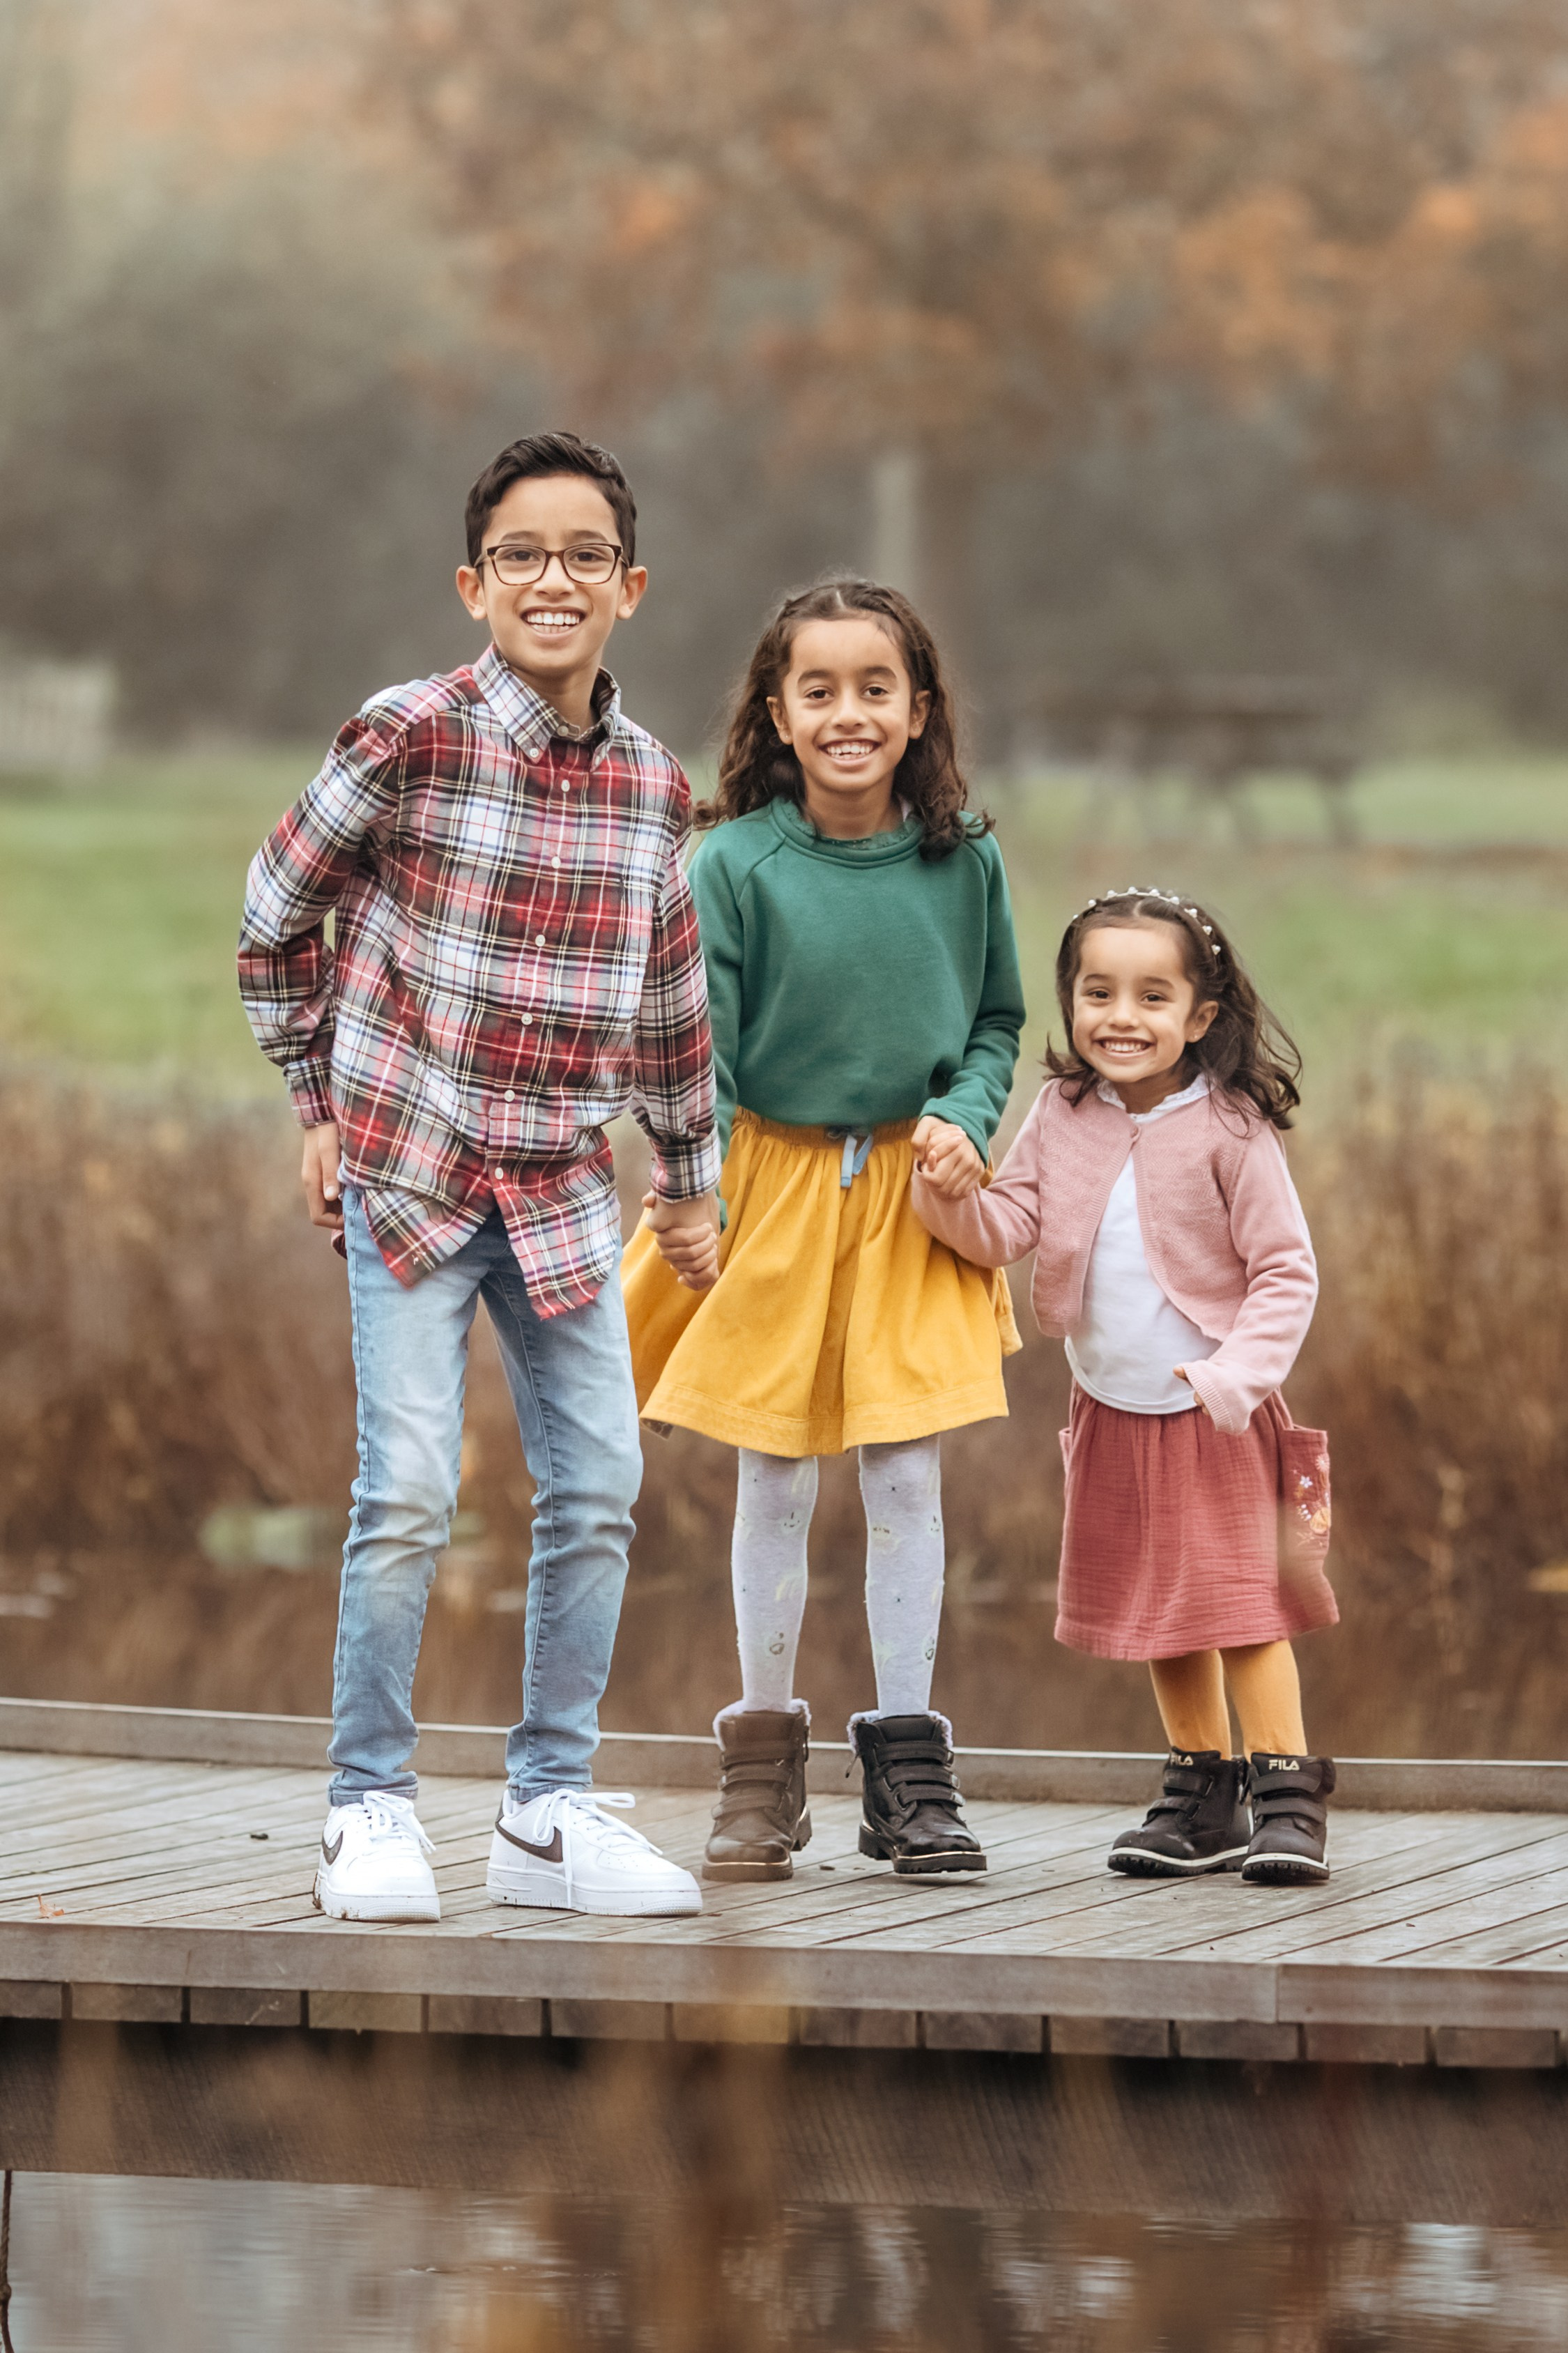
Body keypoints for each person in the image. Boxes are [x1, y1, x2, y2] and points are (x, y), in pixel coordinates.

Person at [238, 431, 720, 1923]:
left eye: (585, 556)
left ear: (630, 587)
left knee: (601, 1485)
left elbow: (668, 998)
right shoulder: (411, 735)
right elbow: (274, 918)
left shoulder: (653, 784)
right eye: (521, 556)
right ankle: (367, 1807)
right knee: (406, 1492)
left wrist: (687, 1178)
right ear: (474, 583)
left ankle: (546, 1809)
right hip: (416, 1170)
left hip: (562, 1190)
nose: (552, 580)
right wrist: (318, 1098)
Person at [623, 578, 1024, 1883]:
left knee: (906, 1475)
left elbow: (996, 1023)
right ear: (778, 713)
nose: (848, 714)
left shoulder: (965, 857)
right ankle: (762, 1767)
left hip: (913, 1192)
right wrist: (694, 1187)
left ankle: (910, 1773)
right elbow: (697, 1048)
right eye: (819, 690)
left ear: (918, 710)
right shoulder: (732, 863)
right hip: (772, 1183)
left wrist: (964, 1115)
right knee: (777, 1474)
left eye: (874, 689)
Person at [912, 888, 1338, 1885]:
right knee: (1162, 1610)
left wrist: (1237, 1377)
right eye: (1097, 992)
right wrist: (943, 1191)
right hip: (1110, 1409)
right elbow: (1006, 1228)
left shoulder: (1230, 1126)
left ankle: (1286, 1794)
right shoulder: (1061, 1115)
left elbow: (1285, 1273)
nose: (1121, 1017)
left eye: (1153, 997)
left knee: (1242, 1609)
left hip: (1213, 1413)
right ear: (1069, 1001)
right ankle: (1202, 1794)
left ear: (1200, 1016)